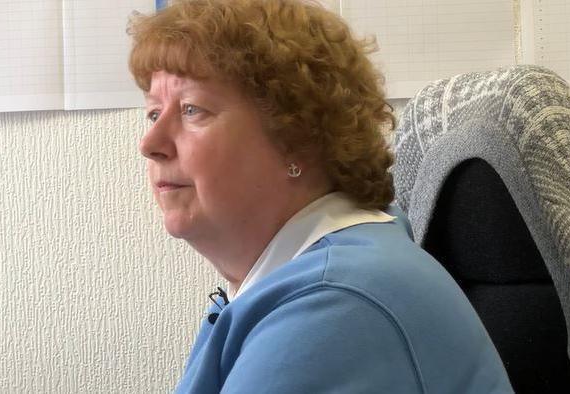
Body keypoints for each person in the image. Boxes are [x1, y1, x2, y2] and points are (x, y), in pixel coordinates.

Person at [129, 0, 513, 392]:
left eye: (192, 109)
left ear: (297, 139)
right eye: (154, 113)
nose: (150, 143)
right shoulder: (292, 278)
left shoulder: (334, 305)